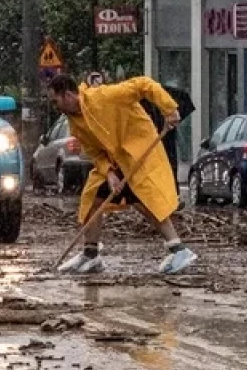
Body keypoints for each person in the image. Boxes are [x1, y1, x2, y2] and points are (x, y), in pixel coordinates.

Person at [47, 72, 198, 276]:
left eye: (55, 101)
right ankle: (90, 254)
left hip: (139, 152)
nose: (55, 107)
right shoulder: (75, 122)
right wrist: (109, 173)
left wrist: (169, 109)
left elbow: (144, 84)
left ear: (67, 95)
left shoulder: (105, 96)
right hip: (116, 161)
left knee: (145, 200)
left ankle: (179, 250)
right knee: (93, 197)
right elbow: (94, 152)